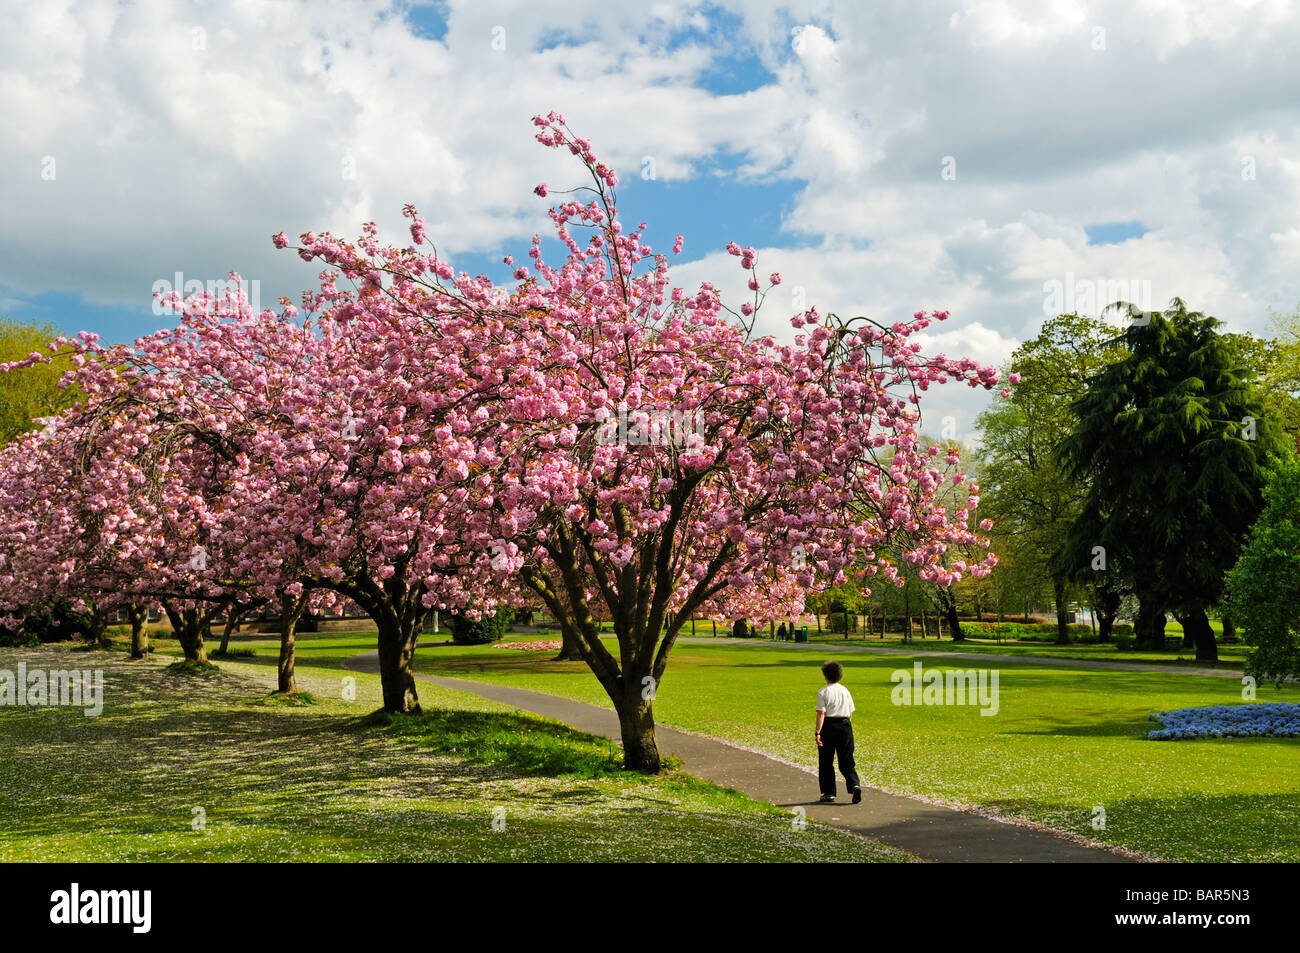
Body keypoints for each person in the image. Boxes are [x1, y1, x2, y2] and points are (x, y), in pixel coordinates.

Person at [815, 660, 861, 803]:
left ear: (825, 676)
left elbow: (821, 713)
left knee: (826, 761)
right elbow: (850, 713)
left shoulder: (823, 692)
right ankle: (854, 784)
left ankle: (829, 793)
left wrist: (818, 732)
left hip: (829, 726)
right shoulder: (845, 690)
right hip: (845, 725)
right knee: (846, 760)